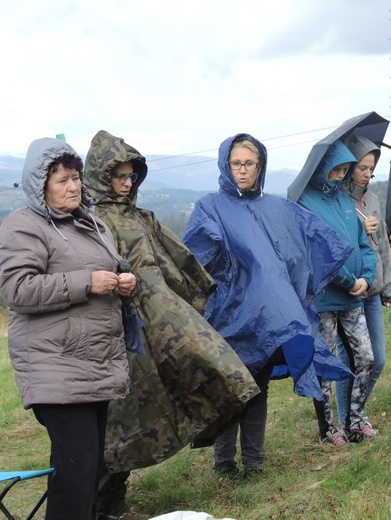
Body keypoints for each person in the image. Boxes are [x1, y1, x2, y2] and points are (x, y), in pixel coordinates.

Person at [83, 130, 260, 515]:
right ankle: (103, 503)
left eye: (132, 176)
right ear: (101, 175)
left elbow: (174, 263)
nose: (128, 183)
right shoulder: (94, 223)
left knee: (216, 370)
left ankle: (112, 499)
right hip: (123, 333)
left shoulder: (138, 217)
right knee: (125, 415)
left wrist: (200, 290)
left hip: (163, 324)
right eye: (120, 176)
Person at [184, 134, 352, 476]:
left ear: (260, 167)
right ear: (224, 165)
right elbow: (195, 258)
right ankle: (224, 464)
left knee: (257, 390)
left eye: (249, 164)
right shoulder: (210, 206)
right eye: (236, 164)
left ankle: (255, 463)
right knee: (230, 390)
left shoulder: (275, 207)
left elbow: (301, 244)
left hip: (268, 320)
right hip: (228, 316)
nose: (242, 171)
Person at [0, 138, 136, 520]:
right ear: (40, 184)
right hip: (56, 368)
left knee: (89, 471)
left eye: (75, 178)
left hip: (96, 364)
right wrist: (86, 283)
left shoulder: (91, 223)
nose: (73, 186)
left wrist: (124, 282)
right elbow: (17, 289)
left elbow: (109, 267)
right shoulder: (23, 226)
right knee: (76, 475)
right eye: (61, 180)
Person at [296, 140, 378, 445]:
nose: (340, 175)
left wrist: (366, 279)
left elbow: (363, 245)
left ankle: (355, 421)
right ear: (321, 169)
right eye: (335, 170)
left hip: (354, 295)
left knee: (366, 358)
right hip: (323, 298)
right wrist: (347, 280)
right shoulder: (305, 203)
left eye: (345, 170)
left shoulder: (346, 202)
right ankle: (329, 430)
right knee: (327, 363)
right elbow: (315, 252)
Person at [334, 135, 391, 425]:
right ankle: (349, 420)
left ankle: (354, 412)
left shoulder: (372, 199)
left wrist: (388, 287)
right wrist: (357, 226)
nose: (368, 174)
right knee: (351, 361)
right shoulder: (336, 198)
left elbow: (383, 243)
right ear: (348, 167)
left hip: (372, 289)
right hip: (347, 291)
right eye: (362, 168)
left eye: (371, 168)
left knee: (378, 360)